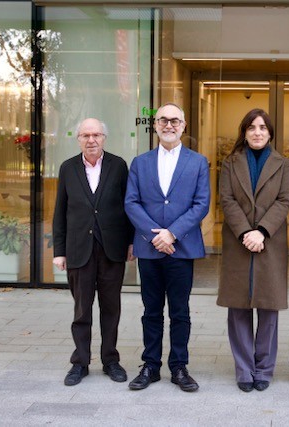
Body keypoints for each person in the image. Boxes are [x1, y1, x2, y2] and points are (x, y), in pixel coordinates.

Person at [125, 103, 210, 392]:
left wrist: (171, 234)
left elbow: (201, 204)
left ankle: (179, 366)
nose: (169, 125)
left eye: (175, 120)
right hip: (149, 249)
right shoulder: (140, 162)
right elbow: (131, 203)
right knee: (150, 310)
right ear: (156, 125)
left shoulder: (198, 162)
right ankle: (150, 365)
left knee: (180, 311)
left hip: (181, 249)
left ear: (184, 125)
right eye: (163, 120)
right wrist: (155, 236)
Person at [216, 109, 289, 392]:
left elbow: (285, 201)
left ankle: (264, 369)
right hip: (238, 242)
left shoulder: (283, 164)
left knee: (268, 308)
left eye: (262, 127)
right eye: (251, 127)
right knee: (238, 308)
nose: (257, 132)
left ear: (270, 132)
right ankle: (244, 369)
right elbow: (226, 199)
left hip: (269, 242)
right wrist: (245, 233)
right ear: (244, 132)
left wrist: (261, 232)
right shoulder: (230, 163)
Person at [52, 118, 134, 386]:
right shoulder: (67, 168)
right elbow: (60, 213)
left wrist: (132, 242)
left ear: (104, 138)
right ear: (78, 139)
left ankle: (110, 360)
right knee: (81, 310)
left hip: (112, 250)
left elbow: (129, 207)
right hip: (79, 251)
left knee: (111, 309)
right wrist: (59, 251)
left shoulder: (119, 166)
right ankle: (81, 362)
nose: (91, 140)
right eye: (85, 135)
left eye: (96, 134)